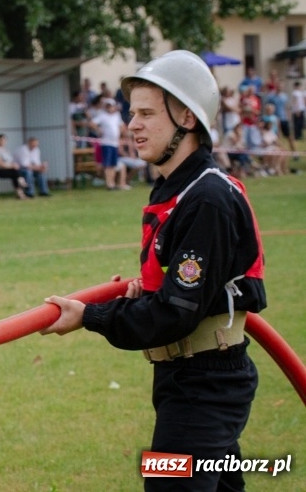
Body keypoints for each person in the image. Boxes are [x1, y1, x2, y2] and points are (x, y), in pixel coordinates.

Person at [42, 50, 266, 491]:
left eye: (146, 113)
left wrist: (90, 316)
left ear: (186, 117)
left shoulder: (207, 200)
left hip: (204, 385)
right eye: (131, 113)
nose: (132, 124)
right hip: (187, 379)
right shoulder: (178, 192)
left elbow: (175, 313)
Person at [92, 97, 131, 190]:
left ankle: (112, 183)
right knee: (108, 164)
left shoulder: (117, 115)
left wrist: (121, 135)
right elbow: (92, 123)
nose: (109, 108)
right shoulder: (102, 115)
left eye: (111, 106)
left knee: (113, 164)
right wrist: (99, 130)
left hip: (115, 143)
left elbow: (121, 126)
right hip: (106, 143)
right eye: (107, 106)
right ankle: (109, 184)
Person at [0, 133, 29, 199]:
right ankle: (21, 183)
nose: (2, 141)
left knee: (16, 174)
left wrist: (14, 165)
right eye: (1, 140)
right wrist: (11, 166)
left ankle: (20, 193)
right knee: (15, 173)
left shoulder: (6, 151)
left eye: (4, 140)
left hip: (7, 169)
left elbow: (10, 161)